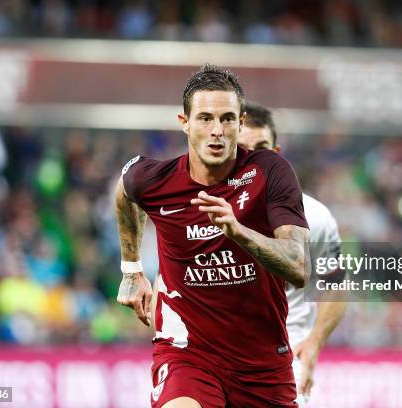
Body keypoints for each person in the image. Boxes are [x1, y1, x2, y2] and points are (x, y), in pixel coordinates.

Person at [115, 64, 309, 408]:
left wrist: (239, 232)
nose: (216, 130)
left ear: (241, 122)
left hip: (263, 364)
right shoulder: (155, 180)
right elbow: (125, 190)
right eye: (205, 118)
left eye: (227, 119)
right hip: (188, 354)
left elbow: (298, 267)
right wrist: (131, 268)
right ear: (184, 122)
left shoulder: (269, 172)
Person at [238, 102, 347, 404]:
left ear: (275, 153)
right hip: (218, 361)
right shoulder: (206, 211)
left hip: (286, 364)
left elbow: (338, 284)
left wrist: (314, 343)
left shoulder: (315, 216)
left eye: (261, 147)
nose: (252, 156)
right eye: (243, 148)